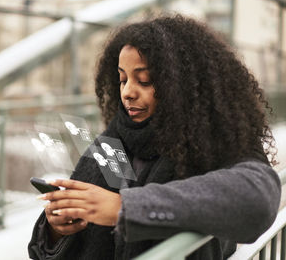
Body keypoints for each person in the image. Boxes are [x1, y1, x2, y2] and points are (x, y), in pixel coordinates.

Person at [28, 15, 281, 260]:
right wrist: (57, 228)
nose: (127, 92)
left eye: (144, 80)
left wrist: (125, 208)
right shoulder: (113, 142)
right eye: (122, 79)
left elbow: (257, 201)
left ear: (180, 84)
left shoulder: (214, 141)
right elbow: (59, 243)